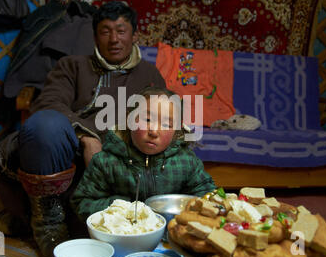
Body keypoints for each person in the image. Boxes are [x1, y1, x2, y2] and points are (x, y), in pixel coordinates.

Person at [0, 1, 166, 257]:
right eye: (105, 31)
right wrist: (86, 137)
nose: (114, 39)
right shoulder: (72, 65)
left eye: (121, 31)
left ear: (133, 35)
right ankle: (48, 224)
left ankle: (28, 219)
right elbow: (50, 101)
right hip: (71, 151)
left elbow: (162, 114)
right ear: (95, 36)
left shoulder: (149, 74)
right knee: (44, 125)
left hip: (122, 161)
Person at [70, 86, 216, 222]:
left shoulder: (186, 162)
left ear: (176, 131)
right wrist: (121, 207)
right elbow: (82, 203)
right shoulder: (105, 162)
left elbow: (208, 196)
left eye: (166, 124)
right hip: (122, 237)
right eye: (147, 119)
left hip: (170, 237)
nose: (153, 131)